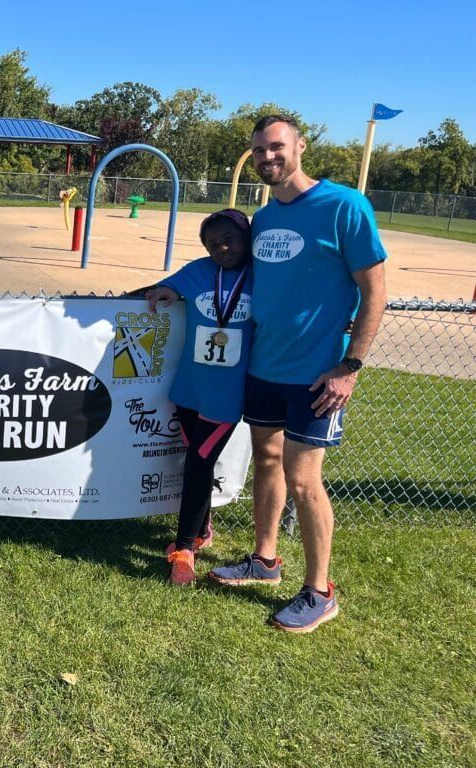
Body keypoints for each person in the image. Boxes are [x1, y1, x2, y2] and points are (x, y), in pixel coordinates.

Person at [207, 115, 387, 633]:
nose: (269, 158)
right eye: (260, 150)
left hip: (316, 376)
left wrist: (350, 366)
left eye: (277, 147)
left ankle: (319, 591)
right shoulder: (262, 220)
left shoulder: (345, 206)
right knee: (266, 459)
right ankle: (265, 561)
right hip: (264, 367)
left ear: (301, 147)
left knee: (304, 480)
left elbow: (374, 292)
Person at [143, 209, 254, 586]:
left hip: (228, 394)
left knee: (197, 464)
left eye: (229, 239)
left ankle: (185, 548)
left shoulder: (262, 276)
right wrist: (166, 292)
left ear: (246, 236)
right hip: (190, 386)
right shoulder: (200, 270)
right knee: (195, 460)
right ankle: (203, 529)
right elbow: (166, 289)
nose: (221, 247)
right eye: (212, 243)